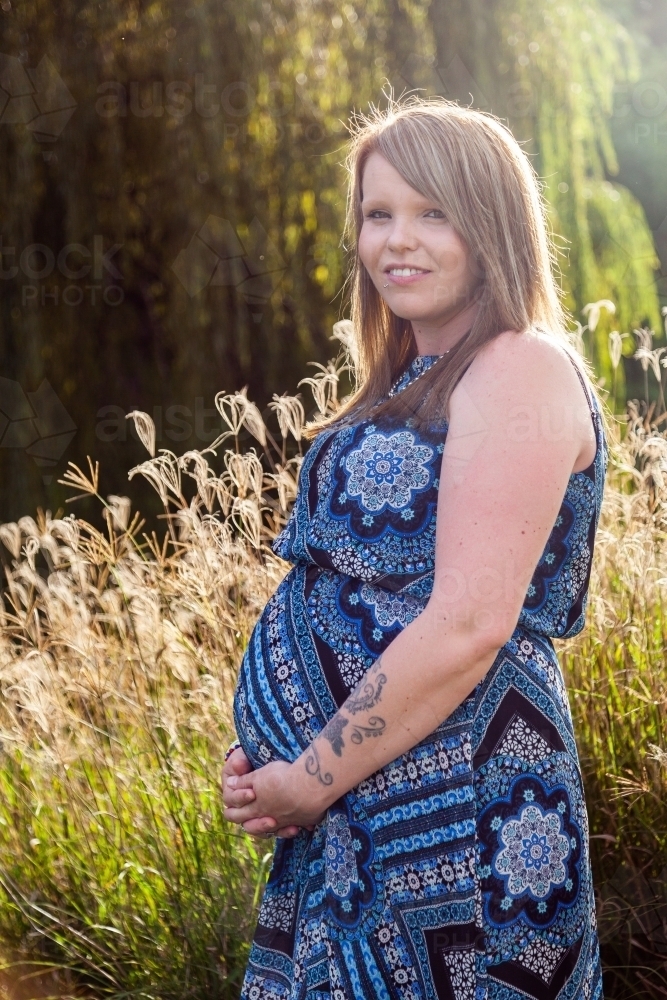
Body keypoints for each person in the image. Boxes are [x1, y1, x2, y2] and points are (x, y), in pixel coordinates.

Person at [222, 97, 607, 1000]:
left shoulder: (516, 366)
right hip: (365, 798)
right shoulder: (413, 377)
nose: (398, 239)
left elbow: (471, 621)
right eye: (378, 213)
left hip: (456, 800)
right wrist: (280, 755)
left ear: (491, 226)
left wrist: (310, 774)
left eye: (434, 212)